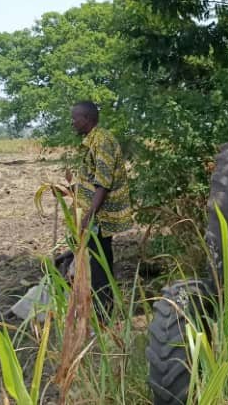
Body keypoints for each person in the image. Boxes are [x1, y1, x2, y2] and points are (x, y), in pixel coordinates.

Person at [71, 101, 133, 315]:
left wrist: (89, 215)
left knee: (100, 267)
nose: (72, 122)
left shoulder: (102, 141)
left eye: (75, 118)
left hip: (101, 217)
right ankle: (98, 311)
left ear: (87, 120)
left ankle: (104, 314)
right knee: (93, 262)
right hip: (95, 215)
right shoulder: (93, 141)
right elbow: (92, 179)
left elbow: (103, 183)